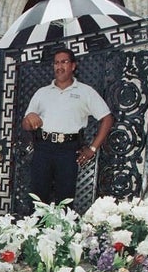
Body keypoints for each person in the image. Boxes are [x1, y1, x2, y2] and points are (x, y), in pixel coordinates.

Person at [22, 48, 114, 205]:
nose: (59, 66)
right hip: (43, 148)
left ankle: (62, 229)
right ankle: (35, 229)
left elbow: (107, 118)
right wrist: (29, 119)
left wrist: (92, 149)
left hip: (68, 150)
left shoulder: (85, 92)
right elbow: (25, 124)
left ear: (73, 66)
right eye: (56, 63)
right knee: (37, 199)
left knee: (65, 200)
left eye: (64, 62)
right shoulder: (42, 93)